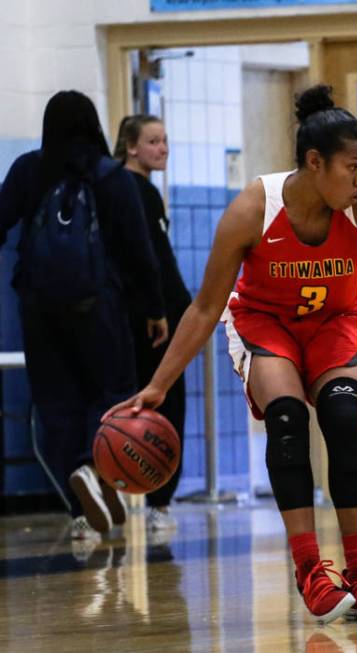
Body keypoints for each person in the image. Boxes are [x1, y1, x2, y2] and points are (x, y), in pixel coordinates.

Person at [106, 85, 357, 623]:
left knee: (345, 417)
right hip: (267, 325)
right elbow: (204, 307)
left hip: (333, 323)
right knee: (287, 417)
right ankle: (310, 568)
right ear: (315, 163)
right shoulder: (254, 208)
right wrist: (158, 385)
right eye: (351, 167)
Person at [0, 91, 167, 542]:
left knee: (57, 404)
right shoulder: (112, 177)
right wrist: (154, 310)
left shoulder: (28, 170)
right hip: (101, 308)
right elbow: (140, 253)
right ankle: (99, 468)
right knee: (109, 394)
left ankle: (80, 496)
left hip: (37, 308)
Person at [114, 114, 192, 532]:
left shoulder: (136, 189)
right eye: (153, 141)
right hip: (156, 318)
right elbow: (149, 262)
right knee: (164, 403)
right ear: (130, 147)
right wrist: (160, 310)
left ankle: (145, 495)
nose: (162, 148)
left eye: (164, 140)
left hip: (154, 311)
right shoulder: (135, 190)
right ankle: (159, 500)